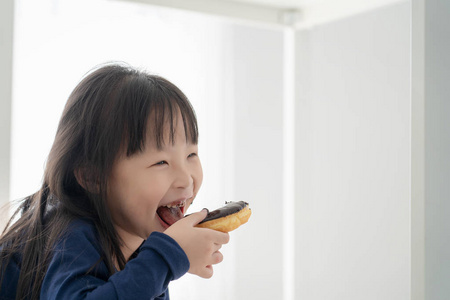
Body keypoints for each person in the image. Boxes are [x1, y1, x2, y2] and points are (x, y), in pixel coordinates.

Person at [0, 63, 230, 299]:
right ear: (93, 176)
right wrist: (169, 257)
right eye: (161, 162)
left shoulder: (143, 250)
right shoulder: (73, 237)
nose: (185, 179)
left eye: (191, 155)